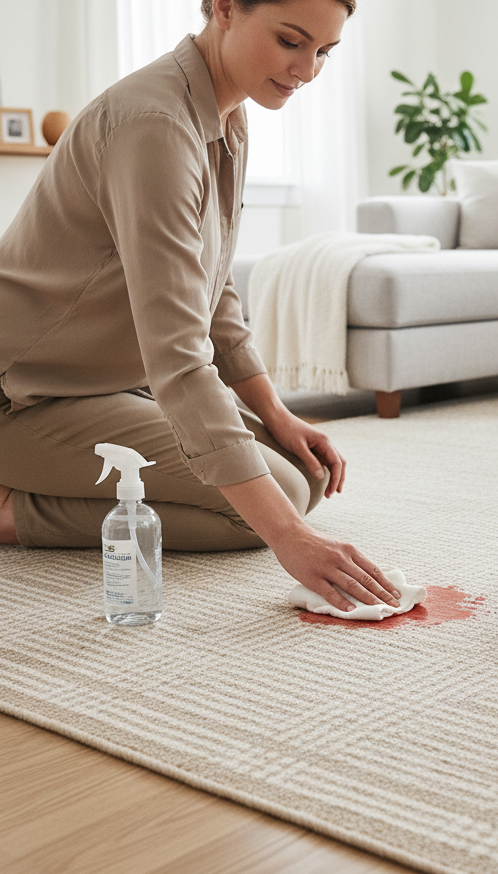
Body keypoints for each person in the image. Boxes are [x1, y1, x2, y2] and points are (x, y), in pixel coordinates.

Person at [0, 0, 401, 613]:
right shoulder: (155, 125)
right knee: (268, 508)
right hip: (23, 396)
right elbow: (180, 358)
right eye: (290, 41)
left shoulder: (225, 115)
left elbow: (214, 292)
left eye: (323, 51)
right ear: (224, 8)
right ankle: (10, 511)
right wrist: (290, 540)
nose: (307, 70)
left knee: (304, 476)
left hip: (99, 385)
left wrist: (276, 413)